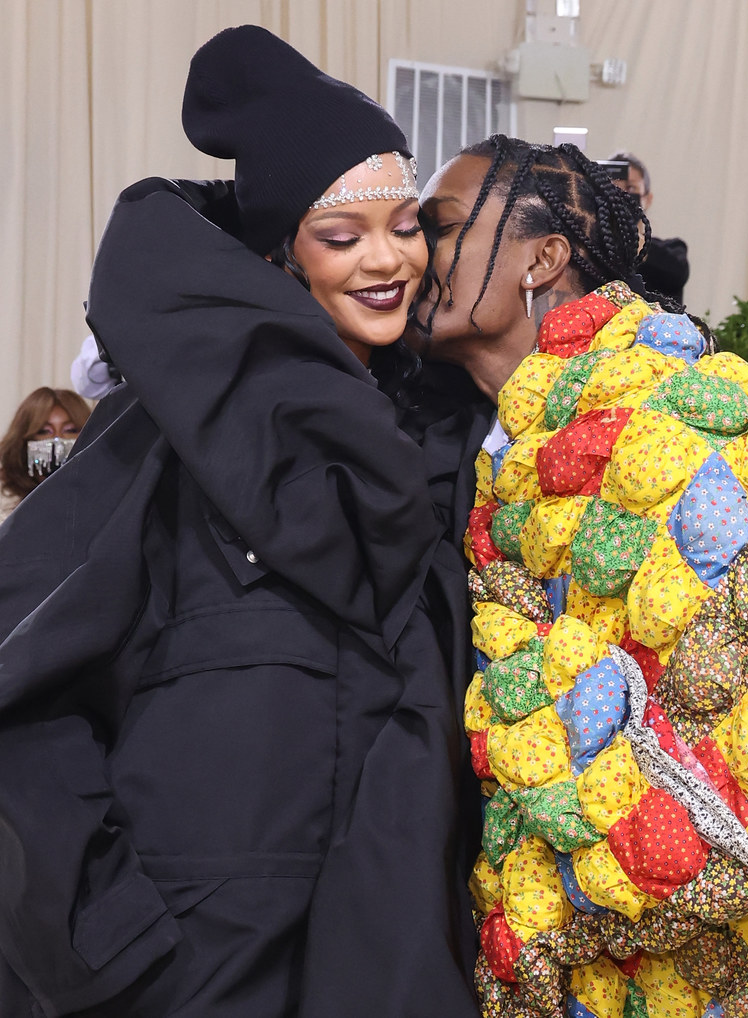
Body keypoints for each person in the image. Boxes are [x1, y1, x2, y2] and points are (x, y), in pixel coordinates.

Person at [0, 27, 481, 1018]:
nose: (386, 260)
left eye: (405, 225)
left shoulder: (439, 445)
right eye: (343, 237)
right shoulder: (158, 442)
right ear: (278, 252)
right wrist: (108, 942)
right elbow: (19, 696)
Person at [411, 135, 748, 1016]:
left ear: (541, 259)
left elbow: (743, 724)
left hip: (707, 942)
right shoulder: (485, 455)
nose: (413, 254)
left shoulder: (665, 416)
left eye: (439, 228)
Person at [607, 149, 689, 305]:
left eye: (631, 188)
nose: (622, 195)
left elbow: (677, 272)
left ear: (647, 198)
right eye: (613, 188)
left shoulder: (671, 251)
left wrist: (632, 241)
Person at [0, 385, 90, 522]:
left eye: (70, 430)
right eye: (44, 431)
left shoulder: (106, 503)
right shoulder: (7, 510)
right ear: (24, 442)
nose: (57, 439)